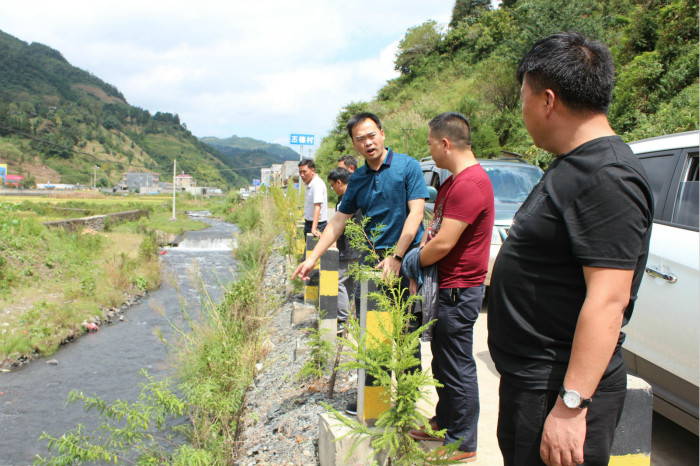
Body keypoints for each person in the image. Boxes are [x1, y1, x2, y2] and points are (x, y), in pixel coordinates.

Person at [487, 32, 653, 466]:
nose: (521, 110)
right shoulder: (571, 162)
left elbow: (609, 298)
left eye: (522, 97)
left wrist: (571, 405)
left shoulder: (608, 176)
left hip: (557, 391)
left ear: (547, 100)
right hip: (533, 382)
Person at [293, 112, 428, 414]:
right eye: (360, 139)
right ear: (354, 145)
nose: (368, 142)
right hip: (370, 270)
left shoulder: (408, 166)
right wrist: (313, 258)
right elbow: (338, 220)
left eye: (371, 135)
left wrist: (397, 257)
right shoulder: (357, 180)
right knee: (373, 339)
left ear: (382, 133)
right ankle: (375, 404)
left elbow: (416, 214)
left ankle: (406, 408)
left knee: (406, 339)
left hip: (405, 268)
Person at [406, 112, 494, 463]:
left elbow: (442, 244)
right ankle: (444, 423)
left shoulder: (471, 184)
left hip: (458, 291)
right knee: (443, 363)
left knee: (456, 365)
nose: (430, 150)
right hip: (447, 287)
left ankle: (463, 440)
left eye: (430, 144)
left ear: (445, 143)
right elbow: (434, 231)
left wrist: (412, 260)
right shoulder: (452, 181)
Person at [327, 167, 362, 332]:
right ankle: (352, 320)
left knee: (339, 282)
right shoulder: (359, 194)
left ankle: (343, 320)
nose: (332, 189)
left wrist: (332, 240)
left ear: (339, 182)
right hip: (358, 248)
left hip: (346, 249)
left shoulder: (345, 200)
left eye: (332, 185)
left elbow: (339, 225)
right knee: (352, 285)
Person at [298, 159, 327, 238]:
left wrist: (314, 228)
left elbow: (317, 207)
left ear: (312, 170)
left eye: (304, 171)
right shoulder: (310, 184)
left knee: (313, 249)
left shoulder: (317, 184)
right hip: (310, 223)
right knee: (309, 249)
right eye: (300, 172)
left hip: (317, 225)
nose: (302, 175)